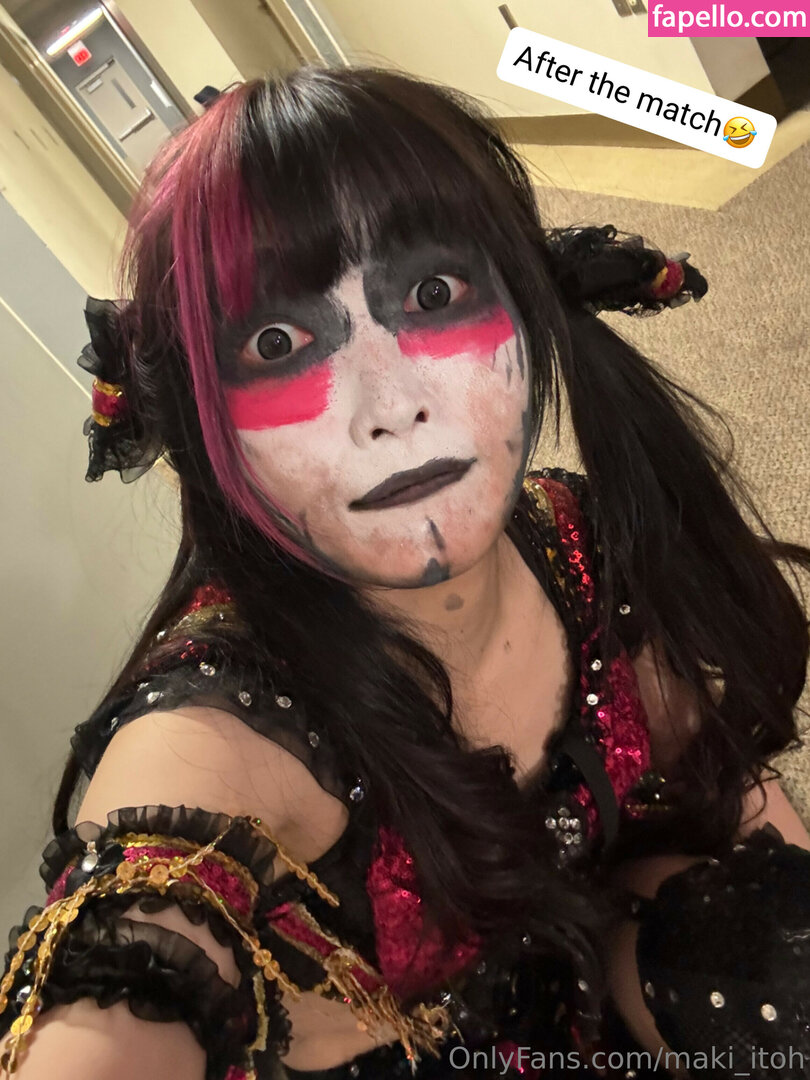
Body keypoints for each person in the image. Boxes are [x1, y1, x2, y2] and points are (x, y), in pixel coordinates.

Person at [2, 65, 810, 1080]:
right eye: (278, 342)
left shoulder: (576, 537)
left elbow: (730, 800)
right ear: (209, 434)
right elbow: (118, 989)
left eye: (433, 295)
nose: (391, 405)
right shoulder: (220, 738)